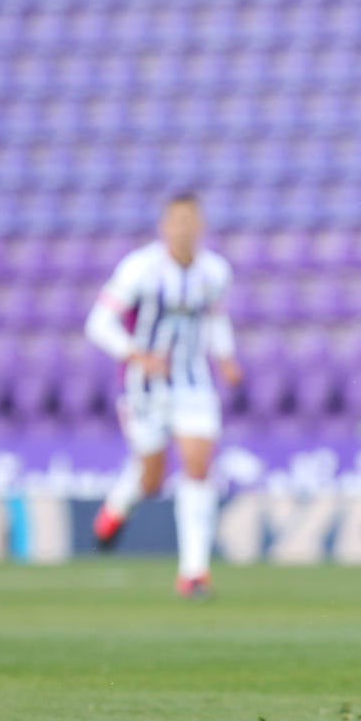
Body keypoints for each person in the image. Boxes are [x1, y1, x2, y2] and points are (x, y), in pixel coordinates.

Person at [85, 192, 242, 599]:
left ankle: (193, 572)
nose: (184, 228)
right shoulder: (140, 268)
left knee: (197, 464)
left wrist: (224, 359)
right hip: (144, 388)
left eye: (191, 220)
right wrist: (137, 354)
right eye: (176, 220)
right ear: (164, 227)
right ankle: (116, 507)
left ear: (201, 226)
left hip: (193, 385)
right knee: (151, 477)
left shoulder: (214, 272)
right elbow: (99, 323)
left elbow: (215, 319)